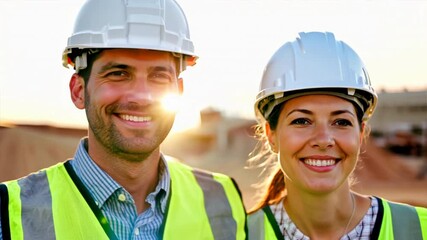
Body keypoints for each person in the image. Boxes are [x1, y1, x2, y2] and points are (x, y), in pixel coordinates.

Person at [0, 0, 247, 239]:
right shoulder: (10, 215)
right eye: (118, 73)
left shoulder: (223, 201)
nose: (141, 97)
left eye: (159, 76)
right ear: (78, 91)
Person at [247, 31, 427, 239]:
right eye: (301, 121)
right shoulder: (239, 234)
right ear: (271, 135)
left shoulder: (419, 229)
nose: (323, 139)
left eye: (341, 122)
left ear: (360, 135)